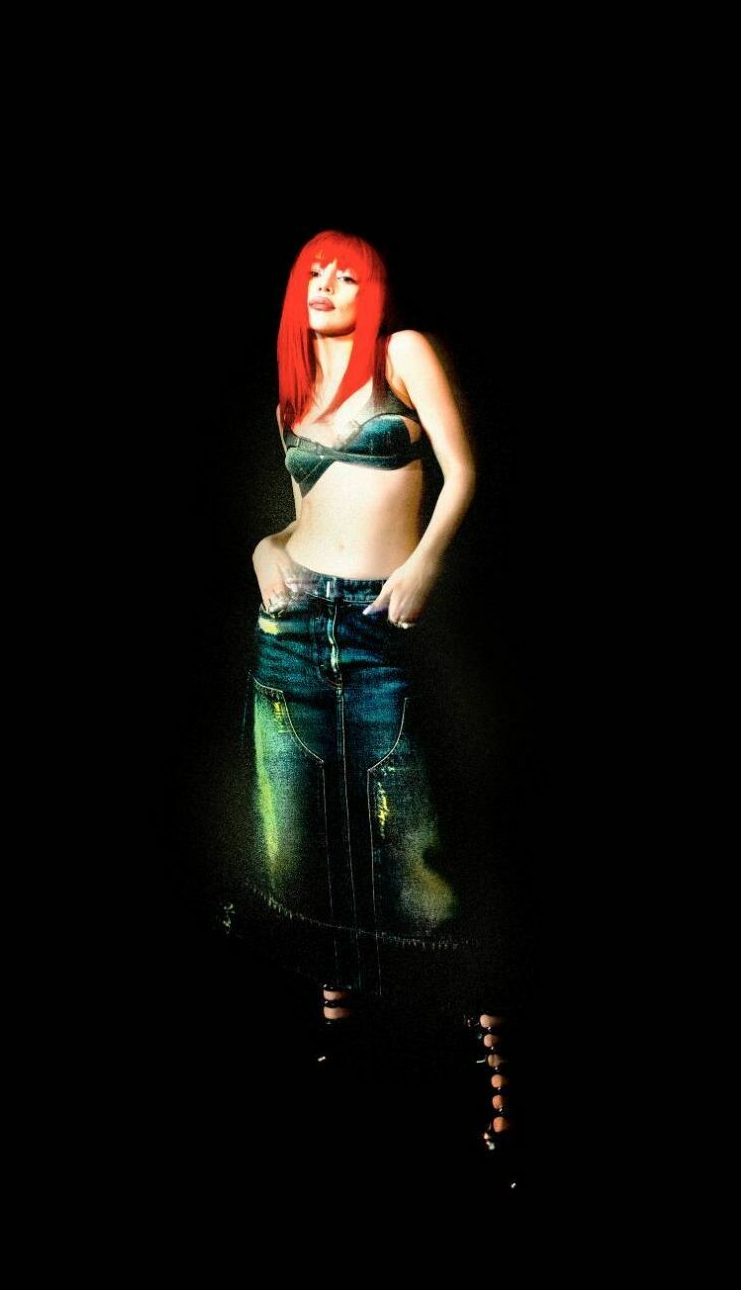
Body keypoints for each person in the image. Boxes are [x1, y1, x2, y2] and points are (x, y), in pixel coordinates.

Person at [220, 228, 518, 1161]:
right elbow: (303, 517)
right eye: (313, 272)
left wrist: (425, 562)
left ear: (374, 288)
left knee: (417, 860)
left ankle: (495, 1077)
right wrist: (265, 547)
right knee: (298, 844)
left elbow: (464, 471)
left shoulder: (402, 354)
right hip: (290, 636)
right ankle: (341, 1053)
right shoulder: (296, 390)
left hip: (381, 629)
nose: (326, 285)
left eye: (346, 273)